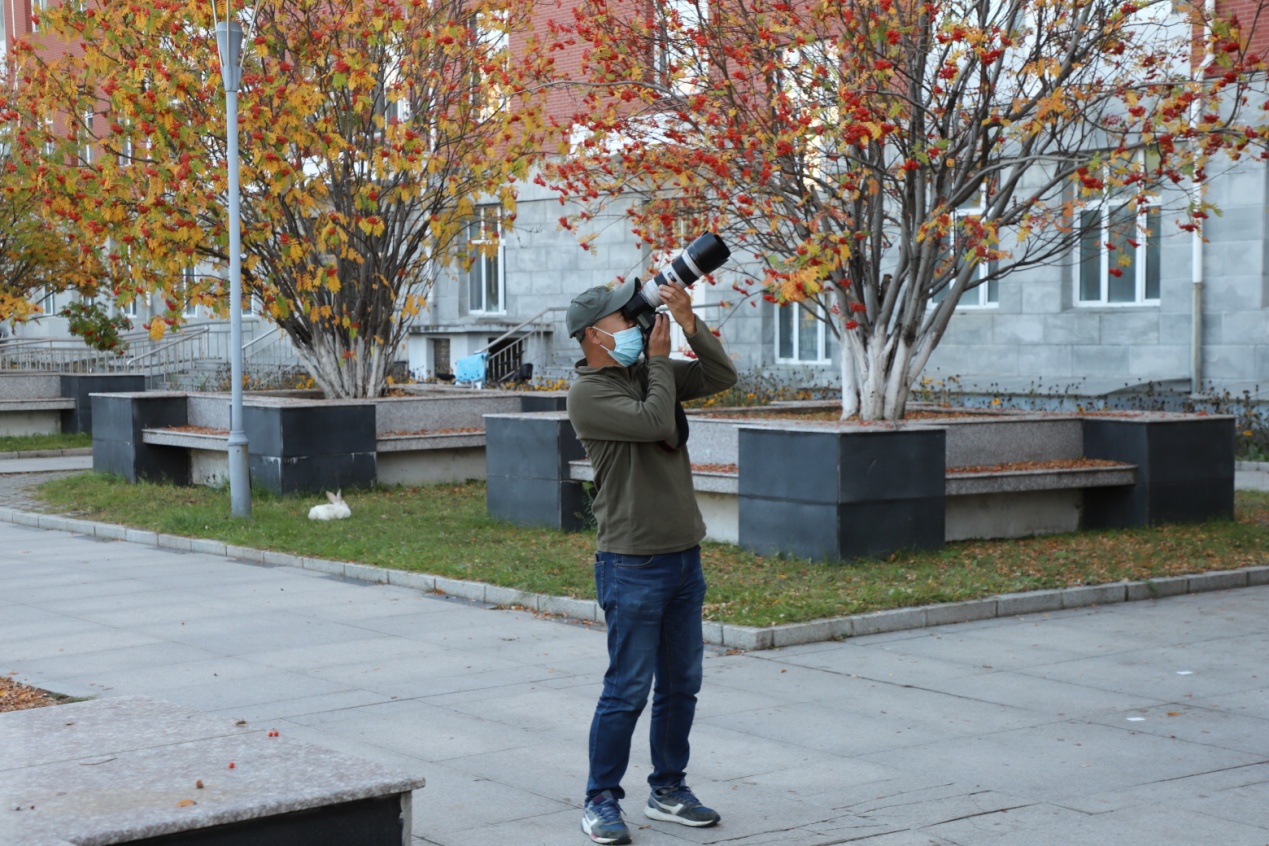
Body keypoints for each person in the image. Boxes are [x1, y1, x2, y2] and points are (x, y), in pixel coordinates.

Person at [565, 276, 738, 844]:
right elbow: (655, 422)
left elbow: (721, 376)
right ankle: (600, 798)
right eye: (625, 316)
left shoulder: (646, 372)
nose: (636, 322)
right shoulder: (588, 393)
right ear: (594, 335)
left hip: (683, 554)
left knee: (682, 684)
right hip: (632, 562)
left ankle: (668, 789)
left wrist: (689, 322)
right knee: (628, 689)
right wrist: (661, 361)